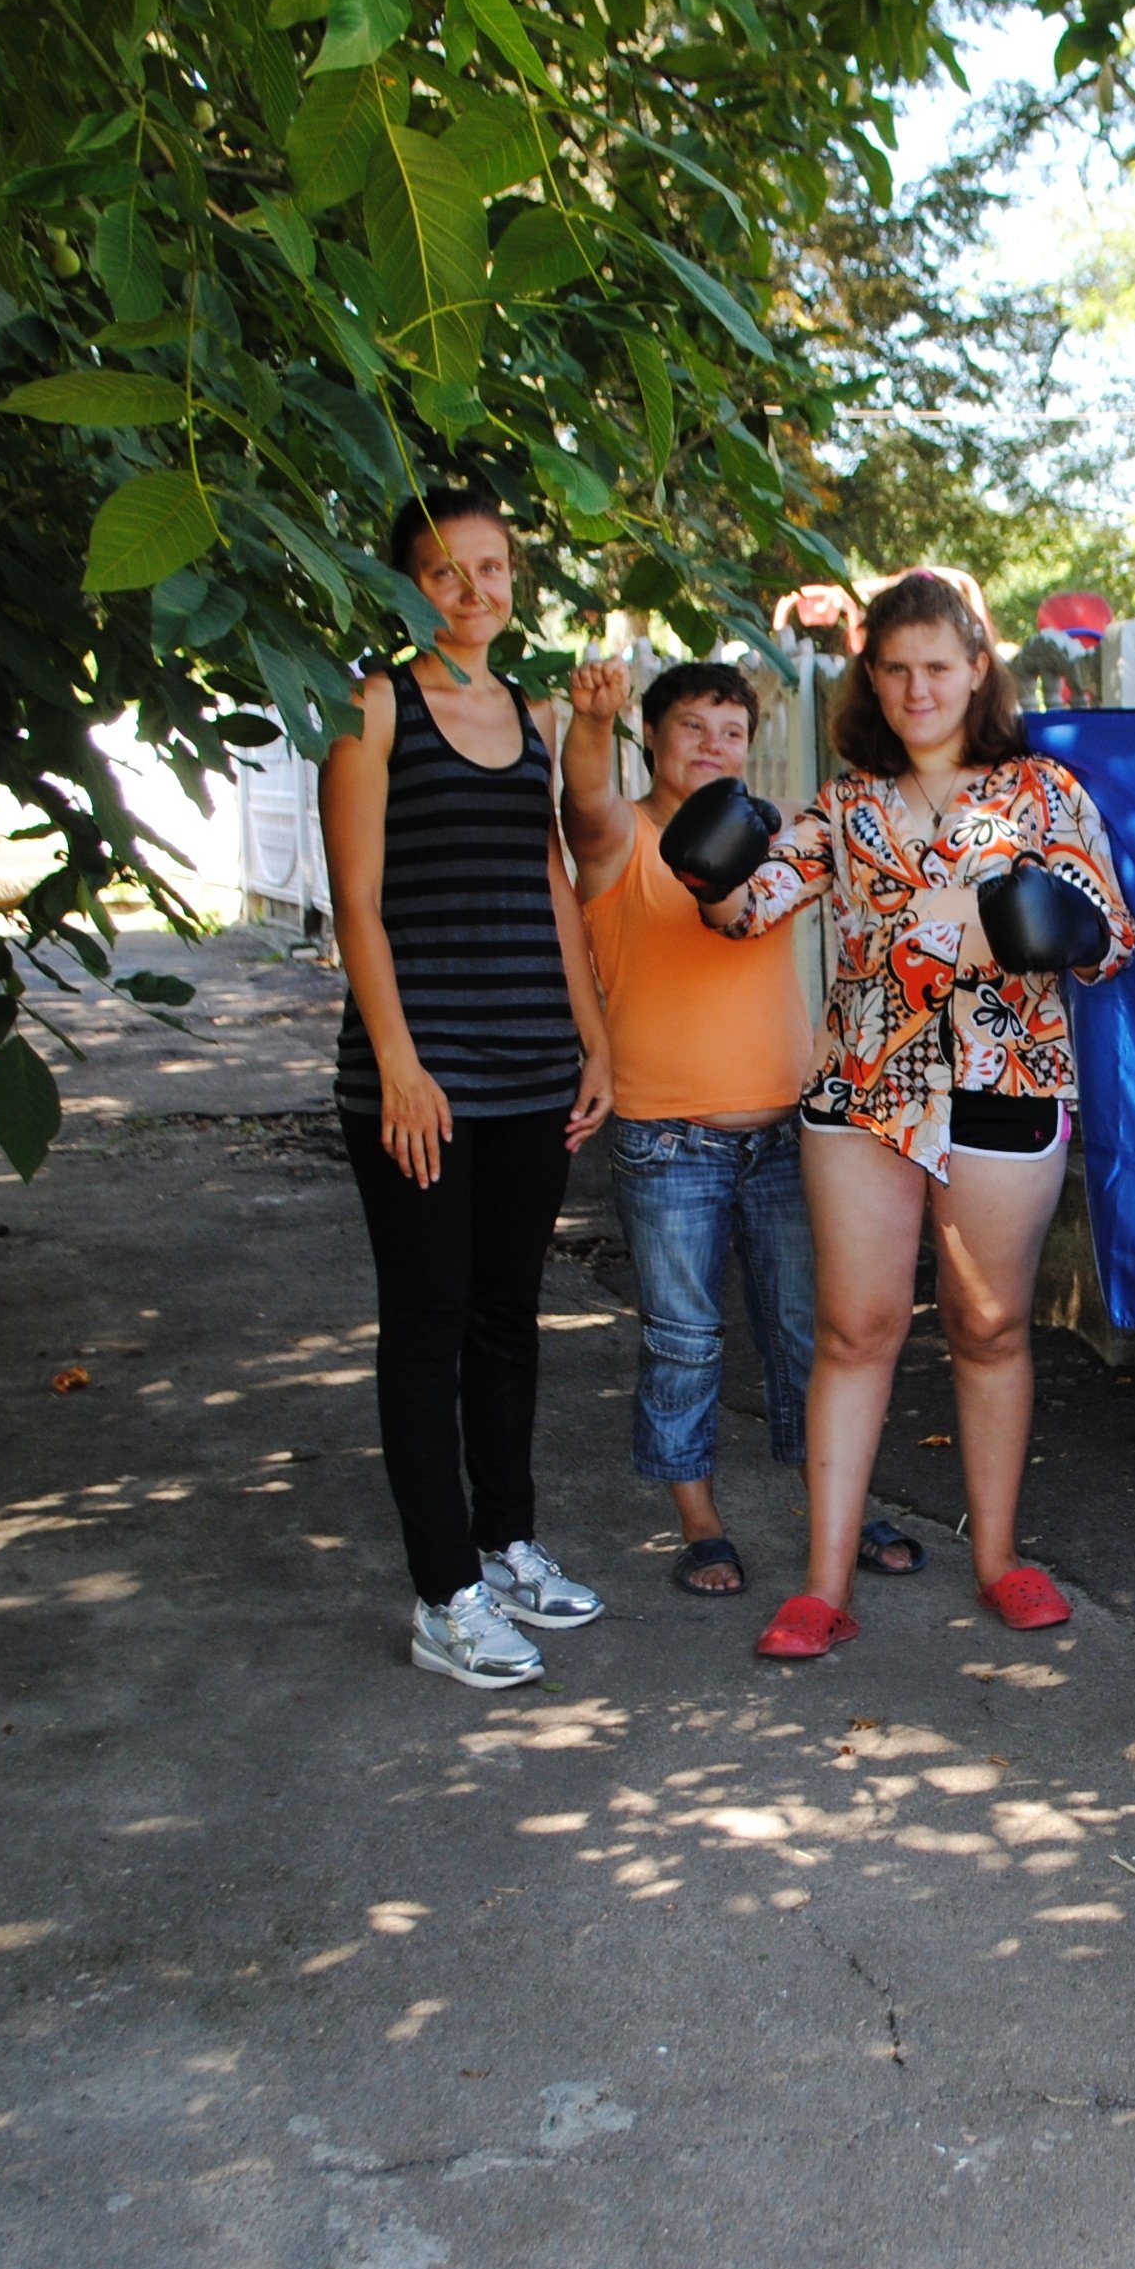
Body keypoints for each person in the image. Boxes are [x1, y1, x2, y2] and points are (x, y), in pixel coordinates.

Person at [683, 572, 1135, 1659]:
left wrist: (1057, 928)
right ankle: (823, 1584)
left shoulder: (1042, 795)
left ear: (977, 670)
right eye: (894, 669)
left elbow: (1113, 941)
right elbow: (747, 911)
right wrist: (711, 873)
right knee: (856, 1330)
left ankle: (999, 1559)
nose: (916, 688)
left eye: (937, 666)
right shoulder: (845, 806)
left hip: (1004, 1081)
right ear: (872, 681)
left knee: (989, 1327)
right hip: (862, 1090)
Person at [322, 489, 619, 1690]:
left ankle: (504, 1546)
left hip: (531, 1071)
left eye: (492, 567)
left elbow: (553, 886)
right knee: (426, 1323)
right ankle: (443, 1597)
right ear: (407, 588)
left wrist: (593, 1041)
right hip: (419, 1084)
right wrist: (399, 1064)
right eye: (445, 571)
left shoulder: (529, 714)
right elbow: (354, 903)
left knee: (506, 1318)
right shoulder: (371, 707)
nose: (473, 589)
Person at [559, 659, 924, 1597]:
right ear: (652, 736)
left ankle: (837, 1504)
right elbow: (584, 799)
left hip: (788, 1130)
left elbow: (867, 839)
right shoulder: (622, 837)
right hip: (668, 1136)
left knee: (810, 1332)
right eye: (692, 727)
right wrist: (590, 721)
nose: (713, 746)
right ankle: (700, 1523)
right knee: (684, 1338)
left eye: (731, 732)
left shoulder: (773, 840)